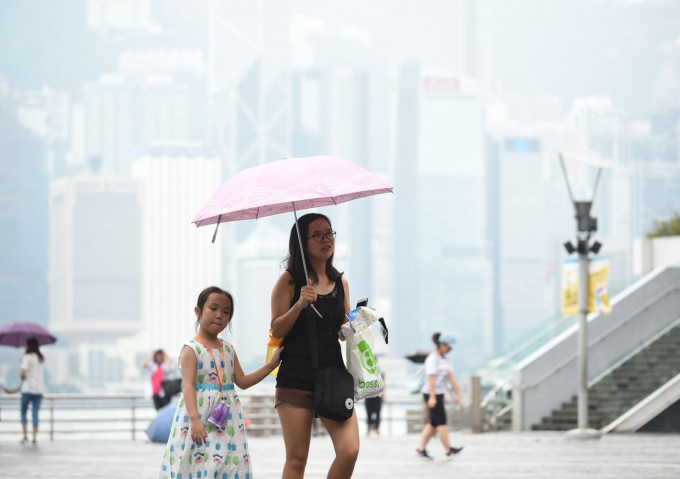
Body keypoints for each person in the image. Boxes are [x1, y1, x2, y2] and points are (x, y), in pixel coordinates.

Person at [159, 286, 282, 479]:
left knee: (228, 464)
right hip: (199, 417)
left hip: (227, 420)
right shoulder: (192, 349)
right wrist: (194, 421)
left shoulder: (228, 349)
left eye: (226, 312)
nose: (219, 316)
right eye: (213, 309)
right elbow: (188, 386)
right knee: (198, 464)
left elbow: (242, 381)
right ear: (198, 312)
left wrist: (270, 366)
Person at [271, 213, 360, 479]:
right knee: (297, 460)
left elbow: (341, 331)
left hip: (333, 377)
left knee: (350, 450)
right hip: (295, 378)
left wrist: (357, 322)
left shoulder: (340, 282)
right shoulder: (288, 281)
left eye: (330, 233)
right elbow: (277, 329)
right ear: (302, 242)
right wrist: (299, 304)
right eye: (318, 235)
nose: (326, 239)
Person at [415, 332, 464, 460]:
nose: (449, 350)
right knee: (441, 422)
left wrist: (458, 394)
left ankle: (421, 449)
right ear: (442, 344)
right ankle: (449, 450)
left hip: (440, 393)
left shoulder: (446, 360)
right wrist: (432, 397)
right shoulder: (432, 359)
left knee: (433, 422)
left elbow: (451, 378)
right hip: (431, 393)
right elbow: (431, 379)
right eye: (448, 347)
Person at [19, 337, 45, 445]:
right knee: (35, 413)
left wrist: (22, 365)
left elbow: (23, 374)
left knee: (24, 412)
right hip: (39, 390)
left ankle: (25, 435)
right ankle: (34, 437)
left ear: (29, 345)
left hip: (27, 389)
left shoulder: (26, 357)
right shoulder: (41, 358)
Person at [365, 368, 386, 437]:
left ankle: (375, 428)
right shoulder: (366, 371)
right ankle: (372, 428)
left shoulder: (380, 372)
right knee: (370, 413)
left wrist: (383, 396)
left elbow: (383, 385)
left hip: (376, 396)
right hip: (370, 395)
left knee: (376, 413)